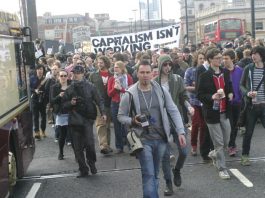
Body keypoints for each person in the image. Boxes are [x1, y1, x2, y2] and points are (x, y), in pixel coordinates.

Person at [118, 60, 186, 198]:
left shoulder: (160, 90)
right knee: (148, 174)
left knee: (154, 173)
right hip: (143, 140)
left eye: (147, 72)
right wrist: (132, 120)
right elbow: (120, 116)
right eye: (142, 72)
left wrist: (180, 131)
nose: (145, 75)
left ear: (152, 73)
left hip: (161, 139)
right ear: (137, 74)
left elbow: (173, 110)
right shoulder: (129, 94)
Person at [155, 55, 193, 196]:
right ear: (160, 65)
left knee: (183, 151)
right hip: (161, 122)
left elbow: (183, 96)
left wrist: (189, 106)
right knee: (164, 156)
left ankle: (177, 170)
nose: (168, 67)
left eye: (169, 64)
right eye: (165, 65)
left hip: (177, 119)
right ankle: (168, 184)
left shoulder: (177, 79)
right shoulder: (154, 82)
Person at [63, 65, 106, 177]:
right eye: (73, 73)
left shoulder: (90, 86)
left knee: (89, 144)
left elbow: (99, 100)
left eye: (77, 73)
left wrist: (103, 113)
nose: (75, 75)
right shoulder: (69, 89)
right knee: (77, 147)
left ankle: (92, 164)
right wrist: (70, 103)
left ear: (82, 73)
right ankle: (83, 169)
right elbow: (62, 106)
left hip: (87, 119)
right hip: (74, 120)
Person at [197, 48, 234, 179]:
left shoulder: (225, 72)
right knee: (219, 143)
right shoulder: (204, 76)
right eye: (217, 58)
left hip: (225, 112)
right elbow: (199, 94)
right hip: (212, 113)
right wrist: (211, 97)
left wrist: (230, 94)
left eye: (221, 57)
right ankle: (222, 168)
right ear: (210, 60)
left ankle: (213, 153)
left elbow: (229, 87)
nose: (220, 60)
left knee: (226, 140)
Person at [240, 46, 265, 166]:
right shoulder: (248, 68)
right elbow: (241, 85)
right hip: (251, 106)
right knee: (248, 133)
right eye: (252, 54)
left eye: (256, 54)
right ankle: (245, 156)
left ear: (261, 55)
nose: (253, 56)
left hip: (264, 106)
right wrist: (247, 93)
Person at [107, 61, 133, 153]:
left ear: (122, 68)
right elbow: (109, 94)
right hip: (115, 104)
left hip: (126, 103)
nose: (115, 68)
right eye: (114, 67)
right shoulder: (111, 79)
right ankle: (119, 146)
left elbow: (131, 91)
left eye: (117, 67)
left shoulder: (128, 77)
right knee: (117, 126)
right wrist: (115, 88)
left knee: (127, 125)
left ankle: (131, 145)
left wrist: (120, 89)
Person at [90, 56, 113, 154]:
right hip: (97, 103)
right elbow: (89, 88)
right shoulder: (93, 75)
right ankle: (103, 145)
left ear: (106, 63)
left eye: (101, 62)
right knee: (100, 124)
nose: (99, 64)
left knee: (107, 125)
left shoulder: (112, 75)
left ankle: (107, 145)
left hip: (110, 102)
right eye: (98, 62)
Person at [185, 51, 206, 156]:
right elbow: (185, 86)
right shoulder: (190, 71)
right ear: (196, 59)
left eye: (203, 58)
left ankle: (202, 145)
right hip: (194, 101)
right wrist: (197, 88)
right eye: (200, 58)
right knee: (196, 123)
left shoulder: (207, 71)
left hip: (205, 102)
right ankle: (193, 145)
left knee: (204, 125)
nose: (202, 60)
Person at [222, 49, 243, 156]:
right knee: (227, 126)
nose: (224, 61)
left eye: (226, 59)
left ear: (233, 59)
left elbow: (243, 85)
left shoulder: (240, 71)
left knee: (234, 126)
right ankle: (226, 145)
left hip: (237, 102)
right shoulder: (221, 71)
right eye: (223, 58)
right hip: (225, 103)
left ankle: (232, 146)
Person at [50, 69, 71, 160]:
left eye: (65, 76)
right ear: (58, 77)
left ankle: (78, 155)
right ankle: (61, 153)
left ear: (67, 77)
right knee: (62, 134)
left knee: (73, 134)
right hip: (61, 113)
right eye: (61, 76)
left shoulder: (71, 86)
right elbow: (52, 100)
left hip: (71, 112)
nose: (63, 77)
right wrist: (59, 96)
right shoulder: (55, 87)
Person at [30, 65, 48, 140]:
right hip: (34, 99)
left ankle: (43, 130)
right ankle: (37, 132)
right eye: (38, 69)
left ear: (43, 70)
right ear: (36, 70)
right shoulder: (32, 78)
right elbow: (30, 88)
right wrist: (35, 90)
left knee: (44, 116)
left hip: (43, 100)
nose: (40, 70)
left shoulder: (46, 79)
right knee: (35, 116)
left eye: (41, 69)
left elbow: (48, 89)